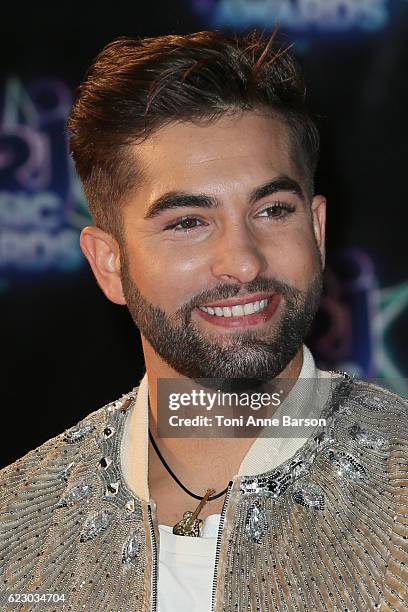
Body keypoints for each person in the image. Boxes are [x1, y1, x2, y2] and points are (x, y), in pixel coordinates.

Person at [1, 29, 407, 612]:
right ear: (109, 264)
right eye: (188, 221)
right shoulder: (17, 529)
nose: (242, 261)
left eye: (272, 210)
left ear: (316, 231)